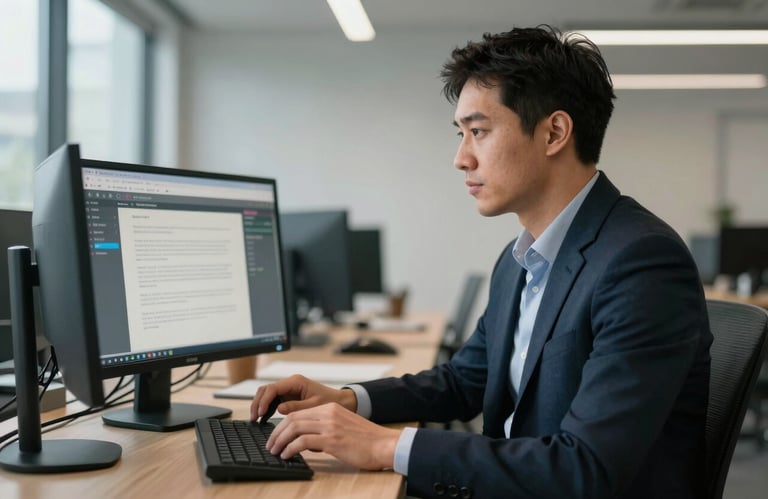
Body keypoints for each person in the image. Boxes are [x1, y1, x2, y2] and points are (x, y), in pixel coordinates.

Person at [251, 25, 712, 498]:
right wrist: (348, 400)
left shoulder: (641, 262)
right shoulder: (520, 260)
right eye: (461, 134)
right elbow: (465, 378)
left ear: (554, 132)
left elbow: (585, 468)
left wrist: (386, 446)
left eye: (478, 132)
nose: (461, 158)